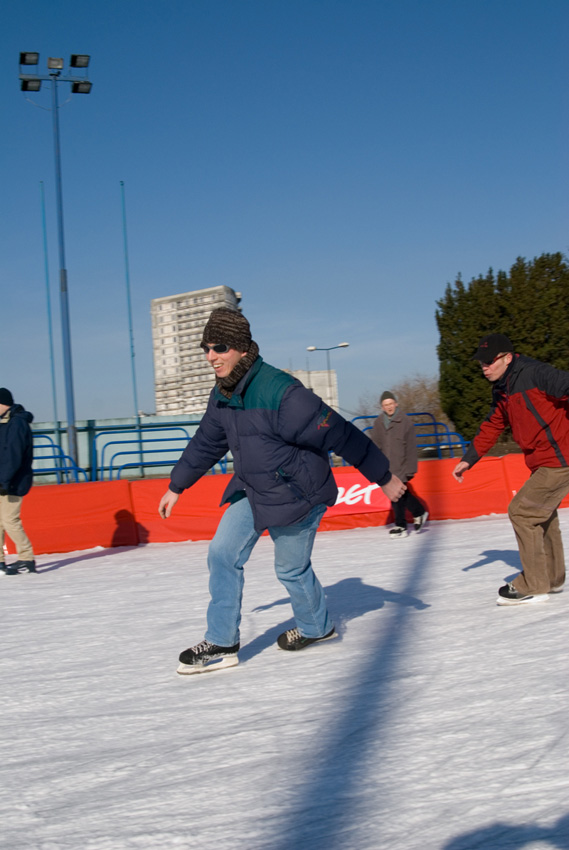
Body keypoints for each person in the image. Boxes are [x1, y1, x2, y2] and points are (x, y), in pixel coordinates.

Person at [159, 307, 406, 674]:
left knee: (290, 569)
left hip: (298, 493)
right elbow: (207, 442)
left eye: (220, 347)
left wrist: (383, 477)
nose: (211, 356)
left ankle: (317, 628)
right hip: (253, 488)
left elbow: (340, 433)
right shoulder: (223, 394)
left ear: (242, 349)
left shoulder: (284, 394)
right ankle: (222, 642)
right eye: (205, 348)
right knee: (222, 553)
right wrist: (177, 485)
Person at [452, 333, 569, 606]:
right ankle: (552, 577)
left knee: (521, 511)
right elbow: (492, 425)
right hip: (544, 461)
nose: (484, 368)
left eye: (489, 362)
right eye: (481, 363)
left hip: (560, 458)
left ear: (507, 358)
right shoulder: (502, 388)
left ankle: (534, 583)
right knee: (541, 514)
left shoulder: (536, 373)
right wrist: (469, 459)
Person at [369, 391, 428, 538]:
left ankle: (401, 526)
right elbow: (376, 445)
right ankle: (419, 511)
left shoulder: (405, 422)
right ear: (382, 407)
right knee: (400, 493)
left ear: (396, 404)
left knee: (396, 495)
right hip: (386, 465)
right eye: (385, 405)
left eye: (390, 403)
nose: (389, 407)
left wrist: (411, 468)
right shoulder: (378, 423)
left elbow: (411, 447)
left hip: (401, 463)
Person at [0, 388, 36, 575]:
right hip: (3, 479)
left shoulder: (17, 424)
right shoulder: (3, 423)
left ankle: (26, 558)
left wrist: (4, 479)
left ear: (3, 404)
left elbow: (13, 456)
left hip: (13, 481)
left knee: (9, 520)